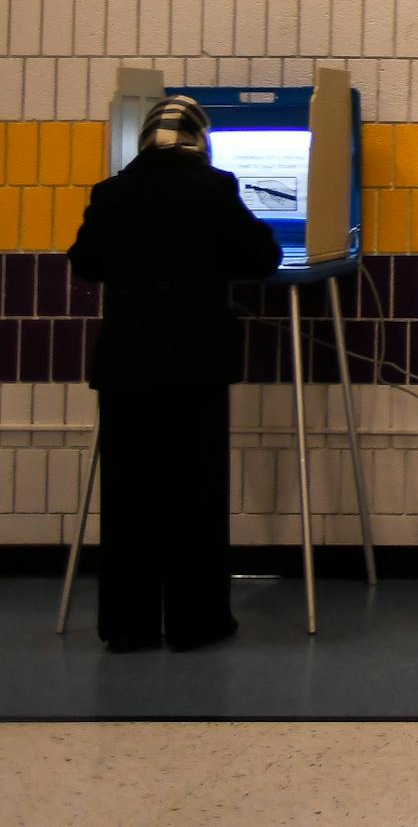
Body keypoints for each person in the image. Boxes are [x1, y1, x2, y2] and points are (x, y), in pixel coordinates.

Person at [67, 95, 282, 652]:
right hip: (194, 367)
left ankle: (126, 625)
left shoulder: (112, 192)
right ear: (198, 139)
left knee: (128, 497)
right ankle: (195, 622)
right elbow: (261, 256)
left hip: (125, 368)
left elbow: (86, 261)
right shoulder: (214, 187)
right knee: (194, 496)